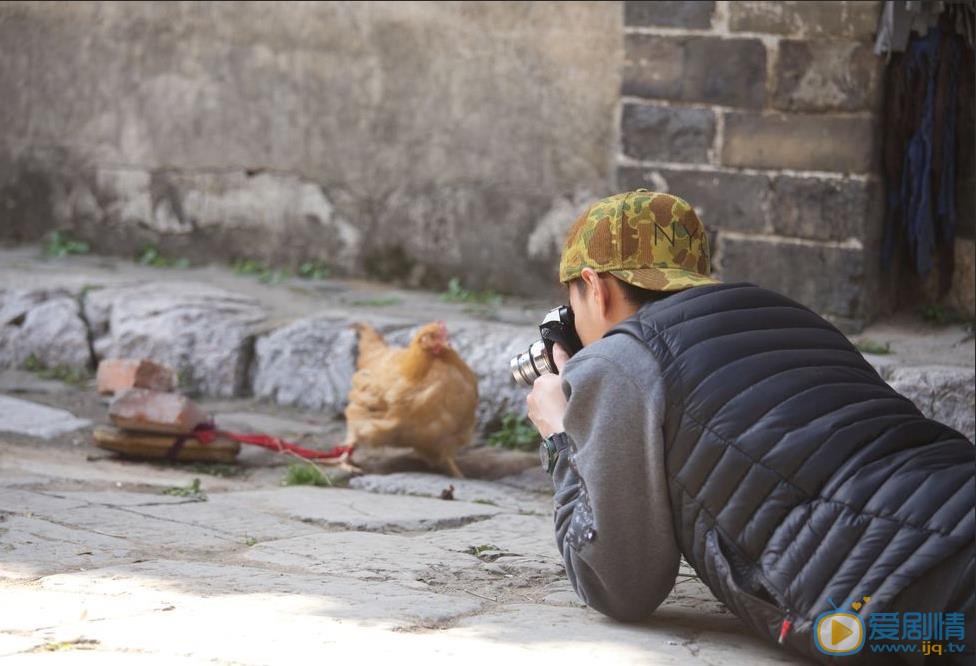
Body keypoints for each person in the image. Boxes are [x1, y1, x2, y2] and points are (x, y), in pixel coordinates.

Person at [525, 189, 974, 665]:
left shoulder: (620, 360)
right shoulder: (788, 314)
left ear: (596, 287)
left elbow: (620, 584)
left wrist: (561, 434)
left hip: (913, 589)